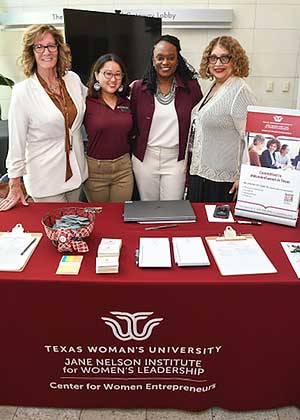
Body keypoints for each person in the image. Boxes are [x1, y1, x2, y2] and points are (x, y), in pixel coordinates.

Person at [0, 24, 87, 211]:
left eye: (51, 45)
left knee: (77, 226)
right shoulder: (22, 92)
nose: (46, 52)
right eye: (39, 46)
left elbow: (93, 102)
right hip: (45, 178)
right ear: (31, 52)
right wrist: (14, 183)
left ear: (59, 49)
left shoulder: (73, 80)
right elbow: (17, 142)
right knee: (58, 232)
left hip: (76, 171)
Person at [130, 34, 202, 201]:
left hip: (176, 159)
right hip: (145, 158)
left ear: (178, 60)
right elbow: (130, 123)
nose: (165, 62)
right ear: (153, 60)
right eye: (160, 58)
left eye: (171, 58)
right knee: (148, 207)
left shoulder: (191, 88)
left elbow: (200, 123)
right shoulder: (139, 88)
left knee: (173, 207)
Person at [187, 36, 256, 202]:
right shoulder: (215, 86)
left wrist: (244, 178)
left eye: (224, 58)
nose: (218, 64)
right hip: (201, 175)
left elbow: (250, 139)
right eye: (213, 58)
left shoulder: (240, 90)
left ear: (235, 60)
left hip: (222, 182)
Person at [84, 54, 133, 202]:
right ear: (97, 75)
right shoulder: (86, 102)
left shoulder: (127, 103)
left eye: (118, 74)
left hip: (123, 169)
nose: (113, 79)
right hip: (95, 171)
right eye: (108, 74)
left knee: (120, 216)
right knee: (101, 218)